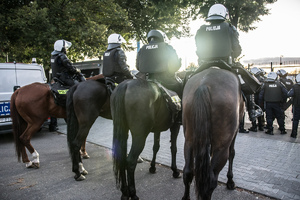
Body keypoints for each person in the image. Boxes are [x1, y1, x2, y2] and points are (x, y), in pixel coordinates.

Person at [195, 3, 262, 122]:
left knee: (187, 80)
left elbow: (198, 50)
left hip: (204, 65)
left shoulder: (201, 29)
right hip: (226, 64)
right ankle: (252, 111)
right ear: (224, 14)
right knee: (246, 83)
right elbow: (237, 50)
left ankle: (181, 110)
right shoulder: (229, 27)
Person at [136, 30, 183, 98]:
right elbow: (174, 66)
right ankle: (179, 106)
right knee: (180, 85)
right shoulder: (168, 47)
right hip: (166, 80)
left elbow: (138, 66)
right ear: (162, 37)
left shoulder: (142, 49)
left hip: (147, 79)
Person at [248, 67, 266, 132]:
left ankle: (254, 126)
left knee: (252, 111)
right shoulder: (263, 79)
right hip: (261, 98)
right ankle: (261, 126)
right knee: (260, 112)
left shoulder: (251, 79)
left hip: (253, 97)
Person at [287, 74, 300, 138]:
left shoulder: (295, 87)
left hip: (297, 106)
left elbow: (289, 94)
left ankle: (294, 133)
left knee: (295, 120)